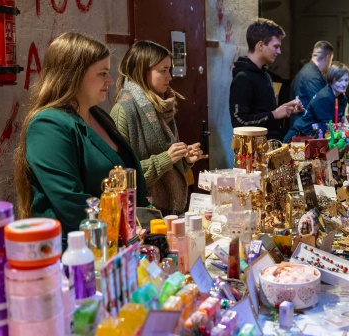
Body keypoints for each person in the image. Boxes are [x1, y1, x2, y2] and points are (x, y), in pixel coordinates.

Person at [13, 32, 148, 248]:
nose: (110, 81)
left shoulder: (98, 115)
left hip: (117, 245)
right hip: (75, 253)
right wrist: (123, 229)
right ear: (73, 76)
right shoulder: (49, 125)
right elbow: (70, 201)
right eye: (102, 73)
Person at [111, 40, 208, 216]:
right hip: (140, 214)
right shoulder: (123, 111)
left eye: (169, 70)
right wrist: (167, 158)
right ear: (142, 71)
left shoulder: (161, 107)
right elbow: (120, 178)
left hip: (164, 214)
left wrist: (184, 160)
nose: (169, 77)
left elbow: (167, 171)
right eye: (163, 71)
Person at [229, 18, 303, 141]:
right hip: (254, 154)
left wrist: (286, 110)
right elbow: (239, 122)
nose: (279, 51)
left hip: (271, 146)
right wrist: (274, 114)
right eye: (276, 46)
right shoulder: (243, 78)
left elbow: (265, 112)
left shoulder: (265, 75)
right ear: (261, 45)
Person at [283, 62, 349, 142]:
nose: (344, 84)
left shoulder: (342, 98)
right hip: (298, 139)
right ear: (331, 80)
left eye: (346, 80)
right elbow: (327, 130)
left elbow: (335, 125)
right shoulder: (324, 97)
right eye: (339, 81)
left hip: (313, 139)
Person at [289, 41, 334, 127]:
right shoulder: (313, 76)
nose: (330, 63)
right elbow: (322, 106)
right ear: (327, 57)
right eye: (331, 59)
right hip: (305, 129)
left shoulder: (306, 71)